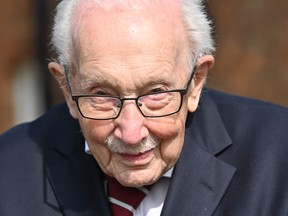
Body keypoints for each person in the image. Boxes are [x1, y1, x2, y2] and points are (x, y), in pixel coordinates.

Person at [0, 0, 288, 215]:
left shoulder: (278, 158)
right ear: (67, 87)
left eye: (155, 93)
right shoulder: (9, 169)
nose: (131, 132)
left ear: (196, 81)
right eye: (102, 94)